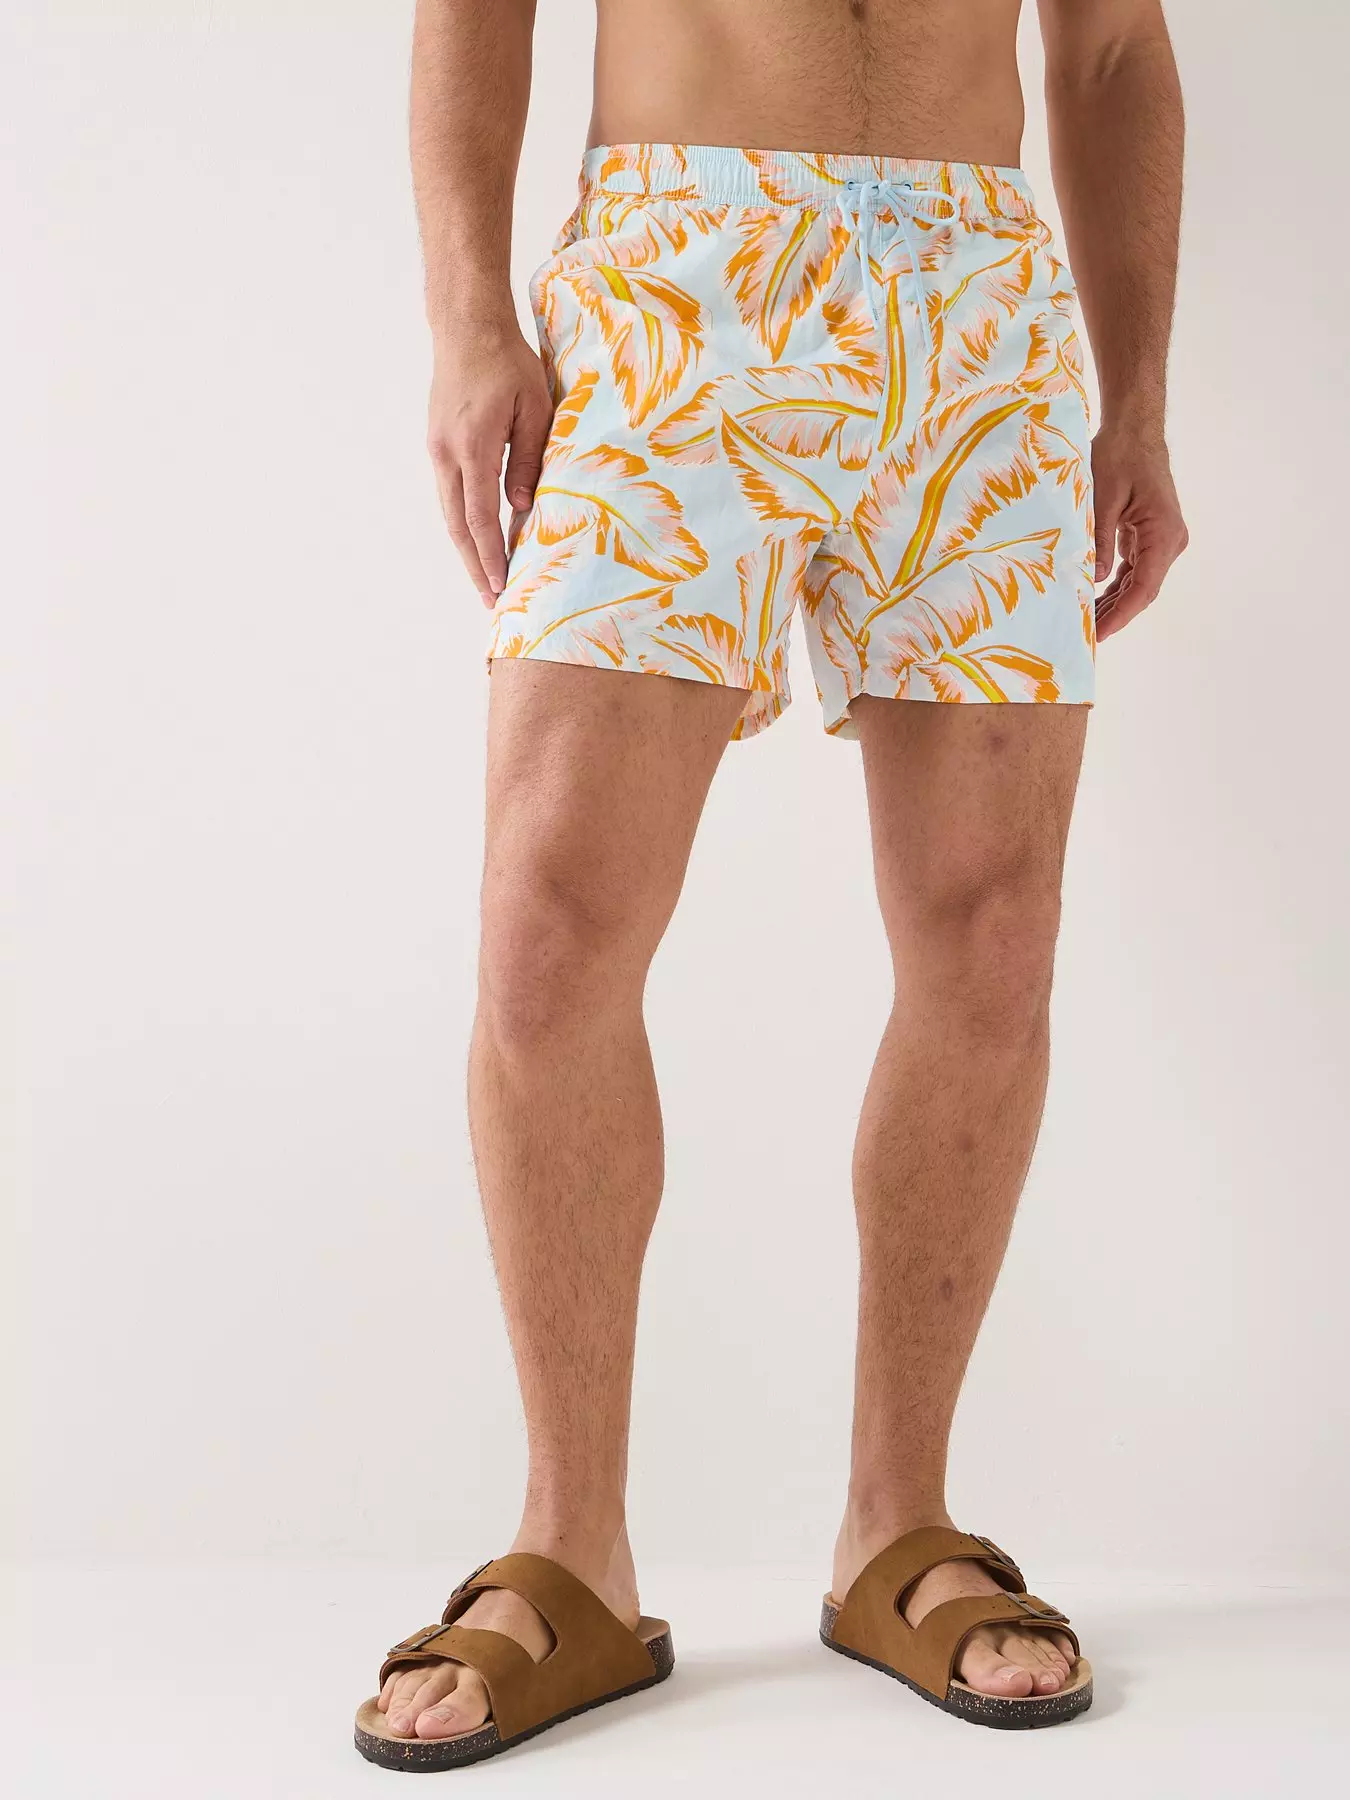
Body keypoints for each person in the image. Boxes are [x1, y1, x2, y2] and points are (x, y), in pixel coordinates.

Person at [354, 0, 1187, 1768]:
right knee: (547, 935)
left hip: (975, 303)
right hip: (676, 279)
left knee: (991, 939)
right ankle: (569, 1552)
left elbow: (1110, 50)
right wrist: (466, 317)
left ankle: (899, 1527)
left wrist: (1139, 402)